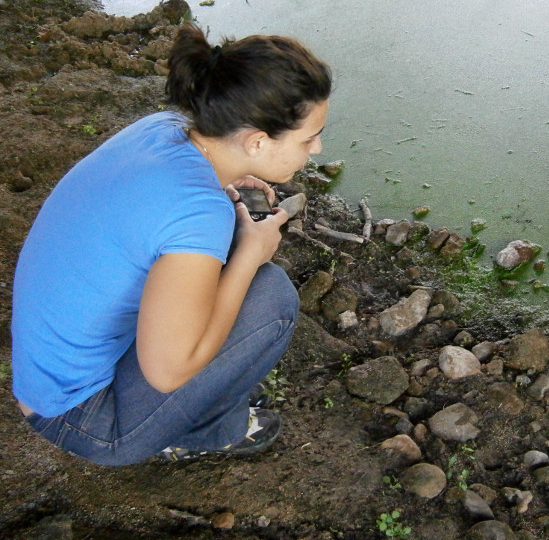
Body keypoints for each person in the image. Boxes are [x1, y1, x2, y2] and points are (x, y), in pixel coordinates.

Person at [11, 23, 332, 465]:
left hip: (47, 374)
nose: (316, 149)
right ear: (257, 141)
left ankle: (200, 400)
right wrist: (248, 256)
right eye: (309, 137)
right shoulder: (198, 213)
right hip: (82, 417)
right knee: (270, 296)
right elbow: (167, 373)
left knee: (228, 276)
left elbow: (158, 208)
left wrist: (229, 180)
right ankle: (208, 431)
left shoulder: (165, 128)